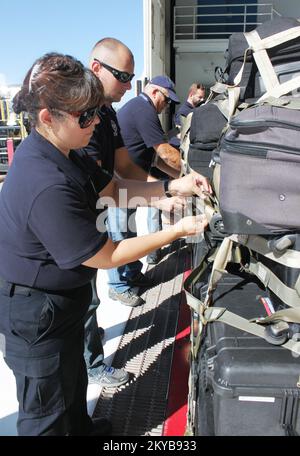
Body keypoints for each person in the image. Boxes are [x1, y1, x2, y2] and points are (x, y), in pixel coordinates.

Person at [0, 52, 209, 436]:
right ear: (48, 117)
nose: (95, 122)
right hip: (34, 313)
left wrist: (171, 186)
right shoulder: (43, 179)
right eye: (85, 116)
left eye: (95, 112)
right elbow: (107, 255)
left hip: (61, 302)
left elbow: (113, 188)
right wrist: (178, 231)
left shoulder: (68, 152)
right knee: (46, 411)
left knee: (73, 384)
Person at [81, 39, 186, 388]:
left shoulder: (106, 114)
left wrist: (165, 191)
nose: (129, 85)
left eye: (131, 77)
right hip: (77, 223)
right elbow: (109, 186)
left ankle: (88, 360)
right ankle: (93, 365)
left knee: (88, 296)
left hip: (96, 209)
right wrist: (166, 200)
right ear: (96, 68)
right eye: (123, 76)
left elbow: (124, 168)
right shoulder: (83, 116)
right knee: (83, 299)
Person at [117, 76, 184, 266]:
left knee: (130, 230)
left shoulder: (142, 108)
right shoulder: (143, 110)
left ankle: (132, 273)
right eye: (167, 99)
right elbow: (164, 153)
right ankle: (120, 285)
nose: (167, 105)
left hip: (134, 176)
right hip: (122, 179)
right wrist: (190, 171)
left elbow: (154, 158)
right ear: (155, 92)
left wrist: (180, 177)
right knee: (121, 232)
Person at [170, 82, 206, 149]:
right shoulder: (183, 112)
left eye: (203, 97)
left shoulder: (196, 109)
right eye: (200, 97)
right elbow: (179, 135)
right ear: (191, 95)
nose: (202, 100)